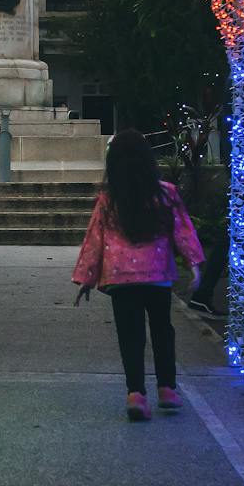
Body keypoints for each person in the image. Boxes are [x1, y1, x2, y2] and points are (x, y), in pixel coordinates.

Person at [72, 129, 204, 421]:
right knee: (162, 330)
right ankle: (167, 388)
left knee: (130, 335)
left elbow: (94, 240)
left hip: (121, 278)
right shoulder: (166, 193)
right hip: (157, 275)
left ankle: (136, 393)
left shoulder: (109, 199)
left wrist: (86, 278)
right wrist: (194, 263)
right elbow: (182, 231)